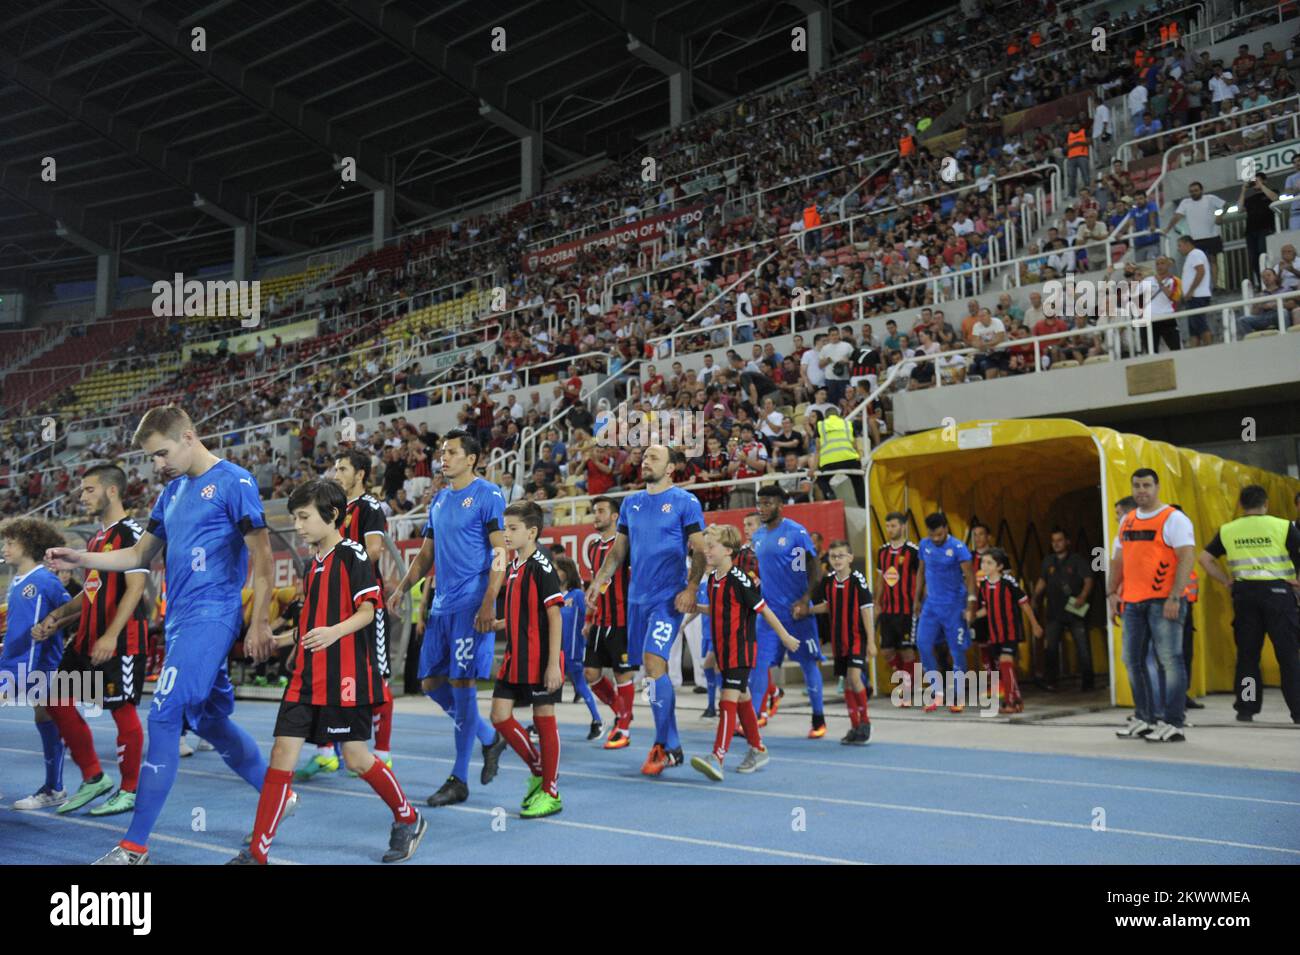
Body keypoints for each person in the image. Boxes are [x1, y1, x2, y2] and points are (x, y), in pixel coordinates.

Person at [45, 405, 278, 865]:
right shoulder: (170, 493)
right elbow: (138, 555)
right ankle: (276, 794)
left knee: (165, 715)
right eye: (152, 458)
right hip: (180, 623)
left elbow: (264, 557)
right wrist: (81, 559)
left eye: (162, 453)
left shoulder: (235, 481)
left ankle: (134, 846)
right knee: (210, 720)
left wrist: (261, 620)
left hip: (213, 616)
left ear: (189, 437)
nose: (157, 465)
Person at [229, 480, 425, 864]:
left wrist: (333, 633)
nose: (298, 526)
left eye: (304, 517)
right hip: (306, 677)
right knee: (282, 753)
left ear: (332, 516)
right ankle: (257, 853)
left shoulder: (353, 555)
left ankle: (408, 817)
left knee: (355, 758)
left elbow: (369, 610)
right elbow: (311, 625)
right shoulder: (312, 564)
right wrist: (279, 641)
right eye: (296, 517)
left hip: (345, 678)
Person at [387, 429, 508, 808]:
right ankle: (488, 736)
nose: (444, 457)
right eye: (442, 451)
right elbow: (426, 555)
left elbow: (500, 552)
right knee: (429, 682)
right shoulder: (439, 500)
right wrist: (402, 588)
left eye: (452, 452)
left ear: (471, 459)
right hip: (441, 604)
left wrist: (490, 599)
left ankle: (459, 778)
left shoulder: (488, 494)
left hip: (472, 603)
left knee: (461, 682)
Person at [32, 465, 148, 817]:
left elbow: (136, 589)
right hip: (87, 639)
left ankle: (129, 789)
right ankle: (94, 777)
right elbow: (91, 593)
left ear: (112, 491)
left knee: (121, 709)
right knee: (53, 696)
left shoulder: (131, 532)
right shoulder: (97, 540)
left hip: (120, 640)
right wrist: (58, 617)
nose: (82, 497)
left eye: (88, 490)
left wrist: (111, 636)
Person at [586, 445, 706, 776]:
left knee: (655, 664)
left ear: (671, 468)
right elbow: (618, 553)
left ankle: (662, 745)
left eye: (653, 457)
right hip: (636, 600)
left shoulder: (685, 501)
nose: (645, 461)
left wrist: (691, 587)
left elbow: (699, 548)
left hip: (668, 598)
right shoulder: (630, 503)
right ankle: (674, 744)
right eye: (644, 457)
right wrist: (599, 583)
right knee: (652, 675)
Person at [688, 524, 798, 781]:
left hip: (741, 651)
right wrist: (694, 609)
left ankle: (717, 757)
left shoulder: (740, 580)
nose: (707, 551)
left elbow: (764, 610)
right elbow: (719, 610)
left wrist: (785, 636)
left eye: (711, 546)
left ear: (727, 550)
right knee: (742, 699)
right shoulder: (714, 578)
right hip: (724, 651)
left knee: (727, 701)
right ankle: (758, 749)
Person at [489, 501, 566, 818]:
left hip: (539, 658)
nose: (506, 534)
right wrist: (504, 622)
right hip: (514, 656)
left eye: (513, 528)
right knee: (499, 716)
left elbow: (554, 616)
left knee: (544, 718)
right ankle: (539, 768)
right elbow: (527, 609)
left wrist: (552, 664)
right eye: (505, 528)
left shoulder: (541, 565)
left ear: (532, 531)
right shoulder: (515, 564)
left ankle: (551, 790)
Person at [1197, 485, 1300, 723]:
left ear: (1241, 506)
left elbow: (1205, 559)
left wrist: (1226, 581)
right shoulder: (1282, 526)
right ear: (1266, 504)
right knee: (1287, 656)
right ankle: (1297, 710)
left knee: (1248, 656)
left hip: (1244, 595)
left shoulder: (1228, 530)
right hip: (1278, 594)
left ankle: (1246, 708)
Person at [1107, 468, 1196, 743]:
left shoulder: (1174, 519)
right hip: (1133, 602)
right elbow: (1118, 560)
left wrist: (1174, 596)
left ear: (1157, 487)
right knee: (1132, 660)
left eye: (1146, 485)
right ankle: (1144, 718)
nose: (1141, 491)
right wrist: (1111, 593)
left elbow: (1186, 558)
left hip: (1163, 601)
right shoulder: (1128, 521)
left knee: (1170, 660)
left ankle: (1174, 722)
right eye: (1136, 486)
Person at [1, 517, 71, 810]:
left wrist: (52, 625)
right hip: (13, 661)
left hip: (38, 663)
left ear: (28, 545)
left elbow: (73, 608)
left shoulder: (44, 579)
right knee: (44, 719)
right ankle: (54, 787)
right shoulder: (16, 581)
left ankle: (55, 788)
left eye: (10, 542)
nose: (4, 547)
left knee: (47, 719)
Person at [753, 486, 826, 738]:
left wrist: (805, 600)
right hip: (769, 616)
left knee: (808, 665)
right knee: (759, 665)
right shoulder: (758, 537)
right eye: (759, 503)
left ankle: (818, 719)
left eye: (767, 503)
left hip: (797, 613)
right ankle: (752, 720)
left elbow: (816, 569)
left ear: (780, 505)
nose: (762, 508)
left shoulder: (797, 532)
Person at [582, 496, 636, 748]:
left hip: (623, 620)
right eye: (595, 511)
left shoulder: (627, 545)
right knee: (590, 673)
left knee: (621, 674)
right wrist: (589, 618)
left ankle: (623, 727)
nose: (596, 515)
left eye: (602, 511)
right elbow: (598, 584)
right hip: (600, 620)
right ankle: (621, 711)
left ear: (615, 516)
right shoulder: (593, 547)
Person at [809, 539, 875, 744]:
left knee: (854, 677)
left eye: (841, 556)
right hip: (839, 642)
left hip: (856, 638)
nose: (837, 560)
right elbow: (827, 606)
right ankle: (854, 725)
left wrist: (871, 641)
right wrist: (808, 610)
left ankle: (865, 722)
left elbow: (866, 610)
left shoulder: (857, 580)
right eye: (833, 556)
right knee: (847, 681)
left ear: (850, 558)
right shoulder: (828, 581)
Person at [913, 512, 976, 713]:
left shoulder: (958, 548)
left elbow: (971, 577)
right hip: (931, 605)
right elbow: (921, 572)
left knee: (956, 650)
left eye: (939, 535)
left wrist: (970, 604)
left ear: (946, 529)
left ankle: (957, 696)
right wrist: (916, 599)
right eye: (932, 536)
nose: (936, 539)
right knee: (922, 644)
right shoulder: (924, 545)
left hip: (954, 606)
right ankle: (937, 692)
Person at [974, 548, 1043, 715]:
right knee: (1004, 668)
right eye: (983, 562)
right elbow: (986, 610)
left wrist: (1035, 624)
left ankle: (1010, 701)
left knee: (1006, 664)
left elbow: (1024, 603)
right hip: (994, 634)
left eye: (989, 562)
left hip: (1010, 632)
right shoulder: (983, 585)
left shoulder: (1008, 582)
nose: (985, 565)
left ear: (999, 566)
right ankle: (1016, 699)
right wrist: (970, 616)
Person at [1033, 527, 1095, 692]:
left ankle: (1088, 682)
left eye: (1059, 540)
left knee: (1082, 647)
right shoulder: (1048, 561)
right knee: (1051, 648)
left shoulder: (1077, 560)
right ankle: (1051, 681)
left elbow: (1089, 580)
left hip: (1075, 610)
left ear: (1067, 541)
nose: (1056, 544)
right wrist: (1034, 597)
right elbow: (1042, 581)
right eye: (1053, 541)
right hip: (1054, 611)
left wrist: (1083, 596)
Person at [874, 511, 920, 703]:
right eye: (888, 526)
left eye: (893, 525)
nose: (890, 529)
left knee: (907, 651)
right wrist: (877, 601)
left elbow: (920, 579)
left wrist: (918, 602)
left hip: (906, 610)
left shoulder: (913, 551)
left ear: (903, 526)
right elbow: (881, 578)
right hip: (888, 610)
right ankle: (907, 682)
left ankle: (908, 690)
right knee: (886, 651)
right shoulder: (883, 551)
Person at [554, 554, 601, 740]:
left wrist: (587, 633)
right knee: (549, 686)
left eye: (558, 568)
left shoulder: (578, 595)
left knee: (580, 686)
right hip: (556, 649)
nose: (555, 572)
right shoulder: (555, 595)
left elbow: (590, 615)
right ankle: (597, 720)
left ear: (567, 572)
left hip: (572, 649)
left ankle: (597, 721)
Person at [1165, 182, 1225, 290]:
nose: (1194, 193)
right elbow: (1177, 216)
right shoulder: (1185, 202)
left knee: (1213, 261)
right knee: (1198, 265)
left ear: (1201, 190)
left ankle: (1215, 285)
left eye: (1196, 190)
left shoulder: (1210, 198)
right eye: (1191, 191)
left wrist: (1220, 216)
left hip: (1212, 236)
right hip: (1196, 239)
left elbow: (1226, 205)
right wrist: (1167, 229)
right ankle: (1202, 287)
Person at [812, 409, 864, 507]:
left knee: (821, 480)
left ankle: (830, 495)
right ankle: (863, 504)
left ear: (826, 417)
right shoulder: (848, 424)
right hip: (849, 460)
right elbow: (855, 445)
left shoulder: (821, 425)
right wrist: (859, 463)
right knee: (858, 480)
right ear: (839, 416)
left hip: (829, 462)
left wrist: (813, 468)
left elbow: (818, 448)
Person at [1177, 235, 1213, 347]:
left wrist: (1191, 291)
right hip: (1194, 297)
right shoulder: (1193, 255)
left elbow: (1200, 271)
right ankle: (1195, 352)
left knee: (1201, 326)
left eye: (1180, 245)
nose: (1178, 249)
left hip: (1197, 296)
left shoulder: (1195, 254)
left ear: (1187, 244)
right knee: (1194, 329)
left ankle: (1210, 349)